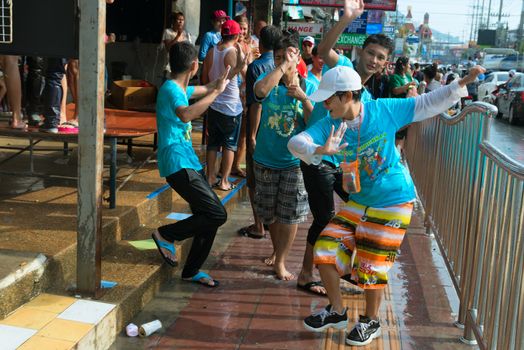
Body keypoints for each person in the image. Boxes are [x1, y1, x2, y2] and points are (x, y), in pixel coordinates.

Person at [289, 64, 485, 346]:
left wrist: (460, 85)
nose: (324, 103)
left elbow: (425, 103)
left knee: (372, 265)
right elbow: (297, 142)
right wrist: (320, 149)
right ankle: (337, 311)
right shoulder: (331, 124)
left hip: (393, 200)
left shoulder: (383, 110)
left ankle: (371, 320)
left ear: (347, 96)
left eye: (329, 98)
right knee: (325, 247)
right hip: (360, 200)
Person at [296, 0, 393, 297]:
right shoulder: (346, 69)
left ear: (386, 63)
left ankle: (345, 266)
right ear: (361, 52)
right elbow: (323, 52)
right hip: (317, 157)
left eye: (380, 57)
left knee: (360, 207)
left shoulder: (367, 92)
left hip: (341, 161)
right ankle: (304, 274)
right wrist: (348, 17)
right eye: (371, 53)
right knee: (324, 217)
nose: (374, 60)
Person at [151, 41, 231, 287]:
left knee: (209, 214)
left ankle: (192, 270)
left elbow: (204, 88)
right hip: (176, 162)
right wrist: (216, 93)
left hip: (186, 160)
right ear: (194, 65)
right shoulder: (171, 90)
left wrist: (217, 85)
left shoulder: (178, 87)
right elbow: (186, 114)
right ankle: (166, 234)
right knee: (217, 213)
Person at [252, 30, 316, 280]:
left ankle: (280, 260)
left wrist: (304, 98)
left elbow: (315, 124)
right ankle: (277, 251)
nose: (281, 61)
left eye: (287, 56)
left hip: (293, 162)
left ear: (297, 54)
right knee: (269, 213)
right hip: (265, 159)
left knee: (290, 214)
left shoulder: (309, 85)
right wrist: (282, 68)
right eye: (277, 57)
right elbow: (258, 93)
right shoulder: (269, 80)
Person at [237, 25, 280, 239]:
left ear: (260, 43)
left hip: (260, 128)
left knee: (254, 180)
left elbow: (256, 105)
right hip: (278, 129)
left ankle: (258, 226)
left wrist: (252, 135)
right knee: (272, 178)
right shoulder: (282, 65)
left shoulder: (256, 67)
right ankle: (271, 223)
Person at [202, 19, 247, 191]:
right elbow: (245, 73)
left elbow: (205, 78)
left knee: (213, 143)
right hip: (230, 107)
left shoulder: (212, 52)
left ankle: (210, 177)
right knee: (229, 145)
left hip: (214, 104)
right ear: (236, 36)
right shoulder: (232, 52)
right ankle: (224, 181)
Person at [162, 12, 192, 79]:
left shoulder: (186, 34)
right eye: (179, 19)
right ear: (173, 21)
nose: (181, 22)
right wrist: (178, 36)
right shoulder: (168, 32)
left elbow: (190, 50)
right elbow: (168, 48)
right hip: (170, 67)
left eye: (182, 20)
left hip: (183, 67)